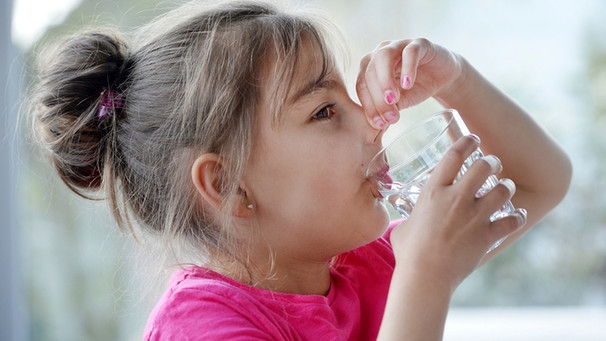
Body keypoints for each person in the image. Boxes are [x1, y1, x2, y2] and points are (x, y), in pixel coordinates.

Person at [28, 0, 572, 339]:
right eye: (324, 111)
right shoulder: (203, 330)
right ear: (229, 186)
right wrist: (425, 279)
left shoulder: (363, 269)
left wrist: (456, 79)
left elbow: (539, 182)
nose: (373, 124)